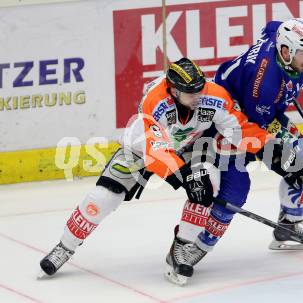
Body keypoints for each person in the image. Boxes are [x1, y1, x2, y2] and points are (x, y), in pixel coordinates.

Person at [38, 58, 275, 278]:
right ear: (174, 90)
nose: (199, 96)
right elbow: (156, 150)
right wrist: (185, 177)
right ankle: (64, 248)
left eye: (200, 89)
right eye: (192, 93)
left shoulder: (214, 96)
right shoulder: (155, 101)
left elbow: (239, 129)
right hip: (141, 149)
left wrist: (272, 148)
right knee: (103, 196)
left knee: (208, 181)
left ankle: (181, 248)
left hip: (189, 148)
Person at [165, 18, 303, 285]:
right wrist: (287, 151)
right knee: (234, 192)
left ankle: (288, 226)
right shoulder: (265, 84)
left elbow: (271, 26)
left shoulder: (284, 47)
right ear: (285, 51)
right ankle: (193, 246)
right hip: (232, 122)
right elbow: (259, 126)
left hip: (258, 114)